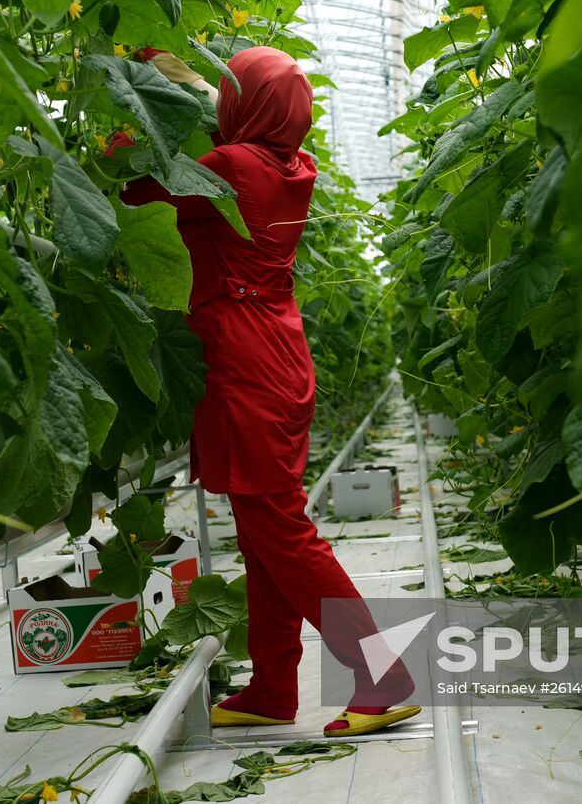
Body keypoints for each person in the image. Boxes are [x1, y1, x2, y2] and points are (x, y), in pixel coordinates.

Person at [120, 46, 419, 737]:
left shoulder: (230, 167)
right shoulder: (292, 166)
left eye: (232, 88)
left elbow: (136, 191)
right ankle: (274, 684)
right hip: (276, 346)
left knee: (280, 527)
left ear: (243, 103)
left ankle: (383, 672)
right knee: (262, 529)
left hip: (243, 357)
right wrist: (198, 87)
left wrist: (136, 107)